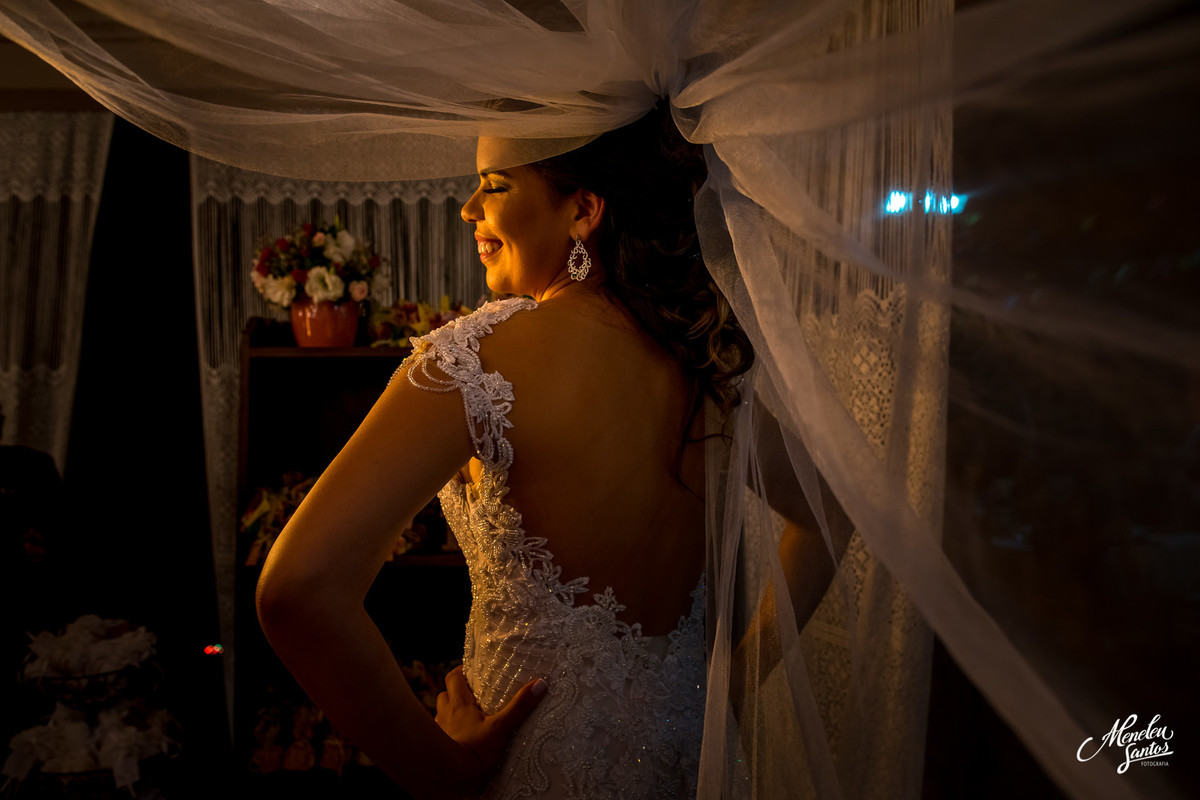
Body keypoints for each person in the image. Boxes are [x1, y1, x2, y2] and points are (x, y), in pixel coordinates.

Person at [256, 105, 756, 798]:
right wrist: (733, 674)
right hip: (691, 766)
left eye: (492, 185)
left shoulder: (477, 361)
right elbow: (826, 519)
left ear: (584, 210)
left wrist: (445, 771)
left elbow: (295, 591)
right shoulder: (711, 361)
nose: (467, 209)